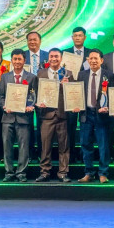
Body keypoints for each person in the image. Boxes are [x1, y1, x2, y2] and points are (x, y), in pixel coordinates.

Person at [0, 48, 36, 182]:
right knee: (7, 146)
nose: (17, 61)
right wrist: (4, 106)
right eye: (15, 59)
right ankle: (8, 172)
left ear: (24, 61)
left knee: (24, 146)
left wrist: (31, 106)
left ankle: (21, 173)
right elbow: (0, 96)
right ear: (12, 61)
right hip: (7, 118)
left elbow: (34, 96)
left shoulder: (31, 77)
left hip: (24, 118)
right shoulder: (5, 77)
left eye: (20, 59)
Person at [76, 49, 114, 183]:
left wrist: (109, 107)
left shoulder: (109, 75)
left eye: (96, 58)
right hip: (86, 114)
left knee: (103, 145)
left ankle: (103, 173)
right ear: (87, 60)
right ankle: (89, 173)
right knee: (86, 144)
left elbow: (112, 95)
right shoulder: (81, 75)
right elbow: (77, 93)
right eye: (90, 58)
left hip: (102, 116)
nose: (93, 61)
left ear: (101, 60)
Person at [35, 48, 73, 182]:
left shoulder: (68, 73)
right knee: (45, 146)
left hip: (62, 115)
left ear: (61, 58)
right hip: (47, 115)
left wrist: (68, 87)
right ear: (48, 58)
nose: (54, 59)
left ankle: (63, 173)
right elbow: (35, 93)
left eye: (56, 56)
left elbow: (74, 94)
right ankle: (45, 172)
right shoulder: (41, 73)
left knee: (64, 146)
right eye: (51, 56)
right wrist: (38, 104)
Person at [63, 26, 91, 162]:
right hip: (71, 94)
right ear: (72, 38)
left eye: (80, 35)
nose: (78, 38)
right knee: (70, 126)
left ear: (85, 37)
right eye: (75, 35)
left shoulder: (91, 54)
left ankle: (84, 155)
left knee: (86, 126)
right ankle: (72, 155)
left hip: (87, 93)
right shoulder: (65, 53)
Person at [24, 31, 48, 161]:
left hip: (43, 94)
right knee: (26, 126)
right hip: (25, 95)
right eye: (30, 40)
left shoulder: (47, 56)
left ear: (40, 41)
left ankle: (40, 153)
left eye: (35, 40)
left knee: (41, 125)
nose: (32, 42)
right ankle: (29, 153)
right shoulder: (22, 56)